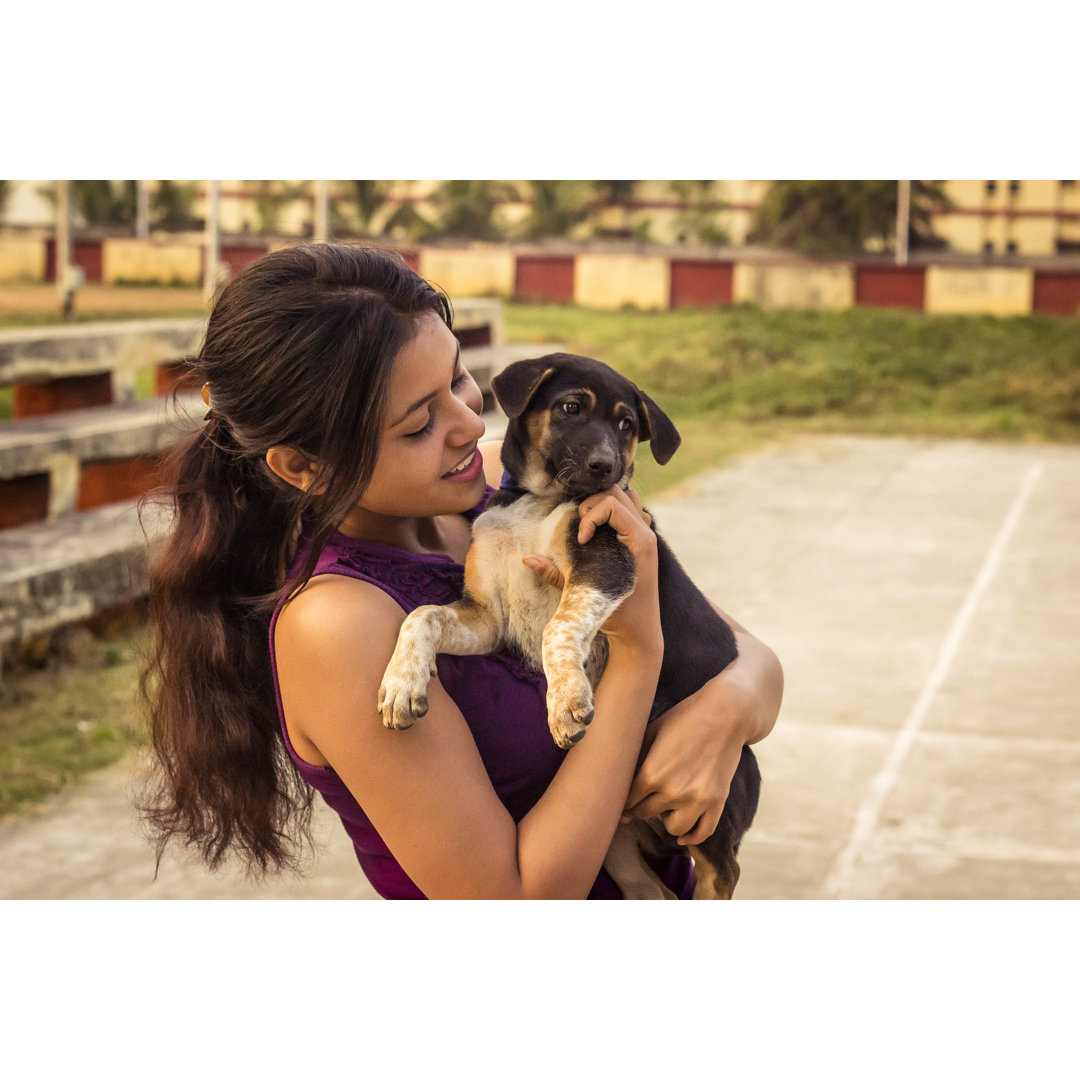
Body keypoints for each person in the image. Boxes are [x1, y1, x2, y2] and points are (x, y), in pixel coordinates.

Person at [140, 243, 782, 899]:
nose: (470, 422)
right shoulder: (338, 624)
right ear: (304, 467)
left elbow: (751, 659)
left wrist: (722, 715)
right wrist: (638, 653)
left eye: (457, 379)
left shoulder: (505, 481)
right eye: (420, 423)